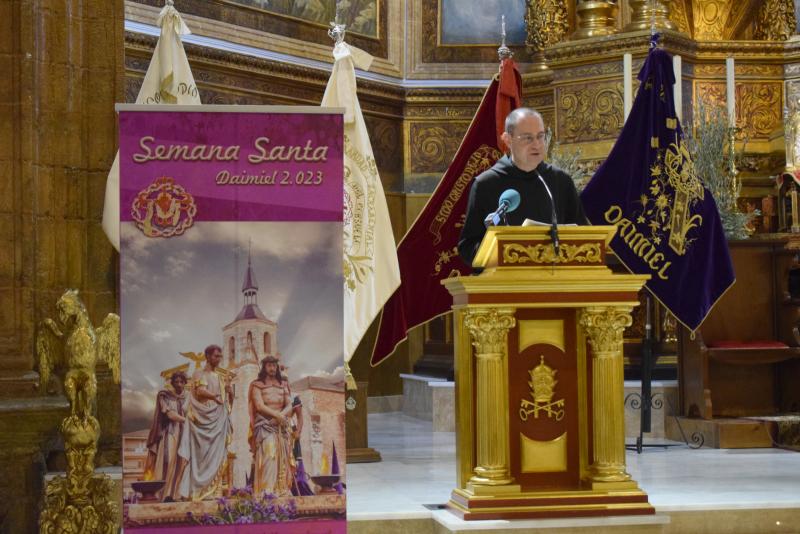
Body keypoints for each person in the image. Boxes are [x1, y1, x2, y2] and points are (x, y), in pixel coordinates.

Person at [458, 108, 586, 267]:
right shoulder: (486, 184)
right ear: (507, 139)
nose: (537, 145)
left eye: (540, 136)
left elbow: (584, 236)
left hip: (554, 283)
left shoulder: (560, 181)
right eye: (528, 138)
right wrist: (502, 254)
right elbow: (468, 247)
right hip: (505, 285)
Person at [183, 344, 233, 500]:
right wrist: (214, 397)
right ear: (208, 356)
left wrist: (229, 391)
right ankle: (200, 490)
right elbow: (199, 392)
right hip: (204, 419)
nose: (219, 359)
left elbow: (226, 402)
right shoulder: (199, 373)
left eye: (220, 356)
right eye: (216, 356)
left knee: (218, 455)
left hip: (218, 419)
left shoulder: (219, 377)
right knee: (202, 454)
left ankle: (215, 491)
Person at [248, 355, 294, 497]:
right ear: (264, 367)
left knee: (283, 456)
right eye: (269, 365)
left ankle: (282, 489)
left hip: (281, 426)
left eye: (274, 365)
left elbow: (290, 404)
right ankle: (266, 491)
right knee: (269, 454)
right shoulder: (256, 385)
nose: (272, 368)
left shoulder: (283, 385)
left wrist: (281, 416)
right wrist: (276, 415)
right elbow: (259, 406)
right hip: (265, 425)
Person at [144, 371, 189, 502]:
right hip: (170, 433)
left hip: (184, 435)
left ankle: (176, 495)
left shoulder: (188, 397)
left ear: (185, 383)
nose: (179, 384)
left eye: (182, 382)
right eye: (176, 382)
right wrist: (186, 420)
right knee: (167, 462)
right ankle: (161, 495)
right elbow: (169, 414)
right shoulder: (165, 396)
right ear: (172, 383)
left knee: (181, 464)